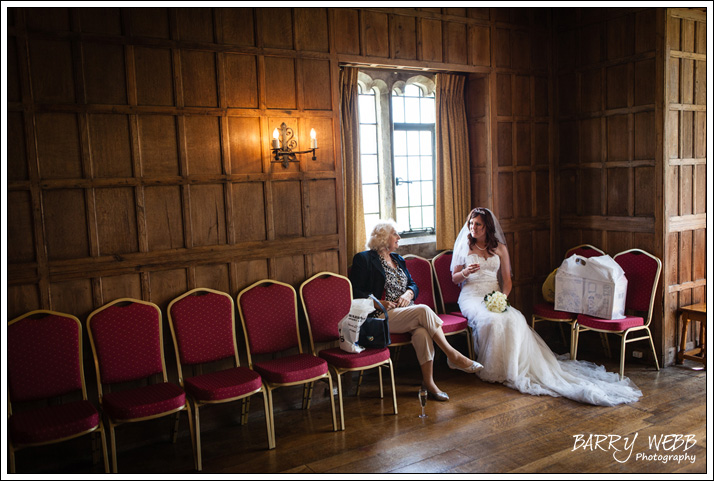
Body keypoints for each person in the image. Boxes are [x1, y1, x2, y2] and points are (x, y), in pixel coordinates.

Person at [451, 207, 642, 406]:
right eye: (471, 224)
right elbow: (454, 278)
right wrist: (465, 273)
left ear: (487, 226)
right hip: (471, 295)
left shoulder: (499, 248)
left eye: (478, 224)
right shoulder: (465, 246)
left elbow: (507, 281)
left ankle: (512, 369)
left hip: (494, 293)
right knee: (489, 319)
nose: (473, 228)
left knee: (514, 318)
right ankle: (491, 369)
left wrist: (502, 299)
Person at [349, 220, 483, 402]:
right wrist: (378, 302)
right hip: (379, 315)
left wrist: (409, 293)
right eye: (395, 233)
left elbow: (413, 284)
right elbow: (356, 292)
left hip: (406, 311)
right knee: (423, 311)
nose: (399, 237)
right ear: (382, 237)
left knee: (421, 332)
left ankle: (429, 383)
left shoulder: (398, 259)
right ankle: (453, 355)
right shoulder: (363, 259)